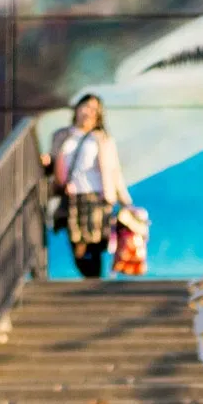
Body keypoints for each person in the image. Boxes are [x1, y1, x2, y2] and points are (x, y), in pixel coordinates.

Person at [48, 92, 130, 278]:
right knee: (77, 242)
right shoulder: (62, 136)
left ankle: (94, 283)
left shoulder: (102, 139)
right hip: (71, 197)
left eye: (94, 110)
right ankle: (91, 279)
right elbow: (53, 162)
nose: (88, 112)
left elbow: (114, 170)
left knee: (96, 243)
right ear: (77, 108)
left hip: (97, 197)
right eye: (85, 106)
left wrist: (125, 201)